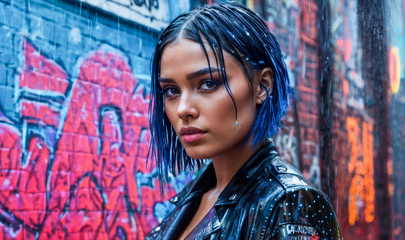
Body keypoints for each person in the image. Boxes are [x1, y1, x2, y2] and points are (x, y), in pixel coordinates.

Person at [145, 2, 341, 239]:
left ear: (262, 86)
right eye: (171, 91)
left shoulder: (289, 204)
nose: (183, 109)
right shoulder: (195, 197)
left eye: (208, 83)